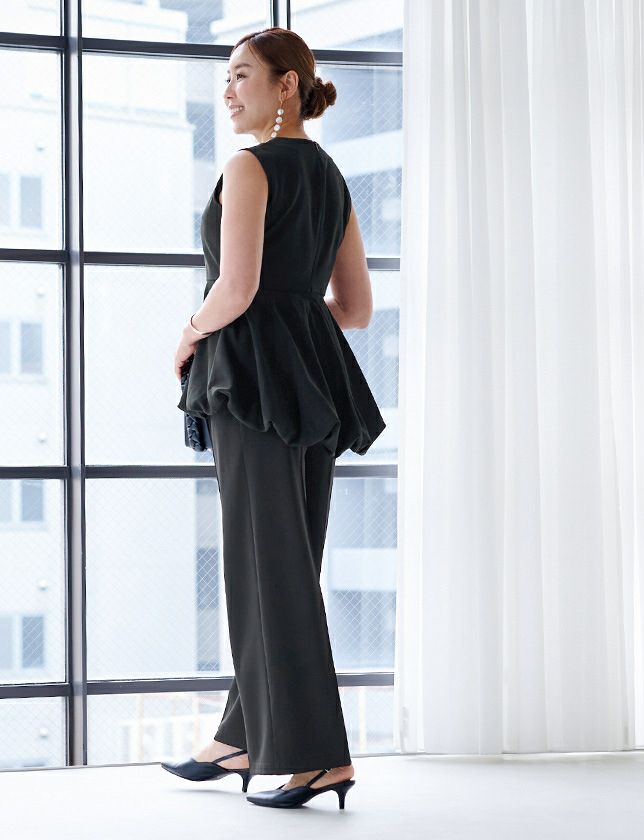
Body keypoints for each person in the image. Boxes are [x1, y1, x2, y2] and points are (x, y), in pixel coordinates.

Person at [161, 27, 386, 810]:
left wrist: (188, 334)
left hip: (252, 384)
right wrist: (295, 323)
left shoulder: (248, 166)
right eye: (227, 78)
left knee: (267, 567)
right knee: (284, 564)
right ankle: (243, 736)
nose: (228, 91)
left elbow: (237, 287)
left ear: (287, 85)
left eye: (242, 75)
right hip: (313, 385)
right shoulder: (330, 178)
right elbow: (355, 308)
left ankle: (317, 756)